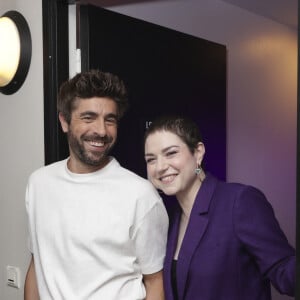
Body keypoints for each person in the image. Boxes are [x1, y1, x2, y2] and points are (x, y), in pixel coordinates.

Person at [24, 69, 169, 300]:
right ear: (64, 121)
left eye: (109, 120)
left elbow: (155, 282)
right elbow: (37, 262)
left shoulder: (140, 195)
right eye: (88, 117)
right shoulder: (39, 183)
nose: (101, 131)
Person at [144, 114, 295, 300]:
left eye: (171, 153)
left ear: (198, 152)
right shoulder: (170, 219)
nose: (160, 167)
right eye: (151, 159)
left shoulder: (239, 202)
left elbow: (285, 271)